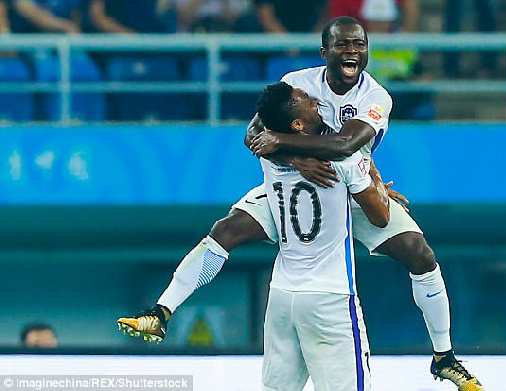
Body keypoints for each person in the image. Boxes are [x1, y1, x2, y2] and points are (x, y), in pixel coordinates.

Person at [118, 16, 483, 391]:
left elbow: (343, 145)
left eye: (359, 44)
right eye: (343, 45)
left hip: (345, 186)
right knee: (226, 230)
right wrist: (297, 162)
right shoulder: (296, 85)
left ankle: (444, 357)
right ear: (325, 52)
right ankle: (161, 310)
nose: (352, 51)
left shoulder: (375, 97)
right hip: (306, 182)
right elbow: (253, 134)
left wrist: (297, 152)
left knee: (418, 252)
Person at [260, 81, 390, 390]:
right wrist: (375, 181)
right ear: (298, 124)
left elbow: (258, 137)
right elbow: (380, 216)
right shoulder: (342, 158)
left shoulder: (270, 155)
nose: (315, 100)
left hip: (281, 294)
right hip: (328, 296)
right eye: (305, 100)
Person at [7, 0, 80, 34]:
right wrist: (66, 26)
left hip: (63, 43)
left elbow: (76, 15)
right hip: (28, 45)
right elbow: (28, 10)